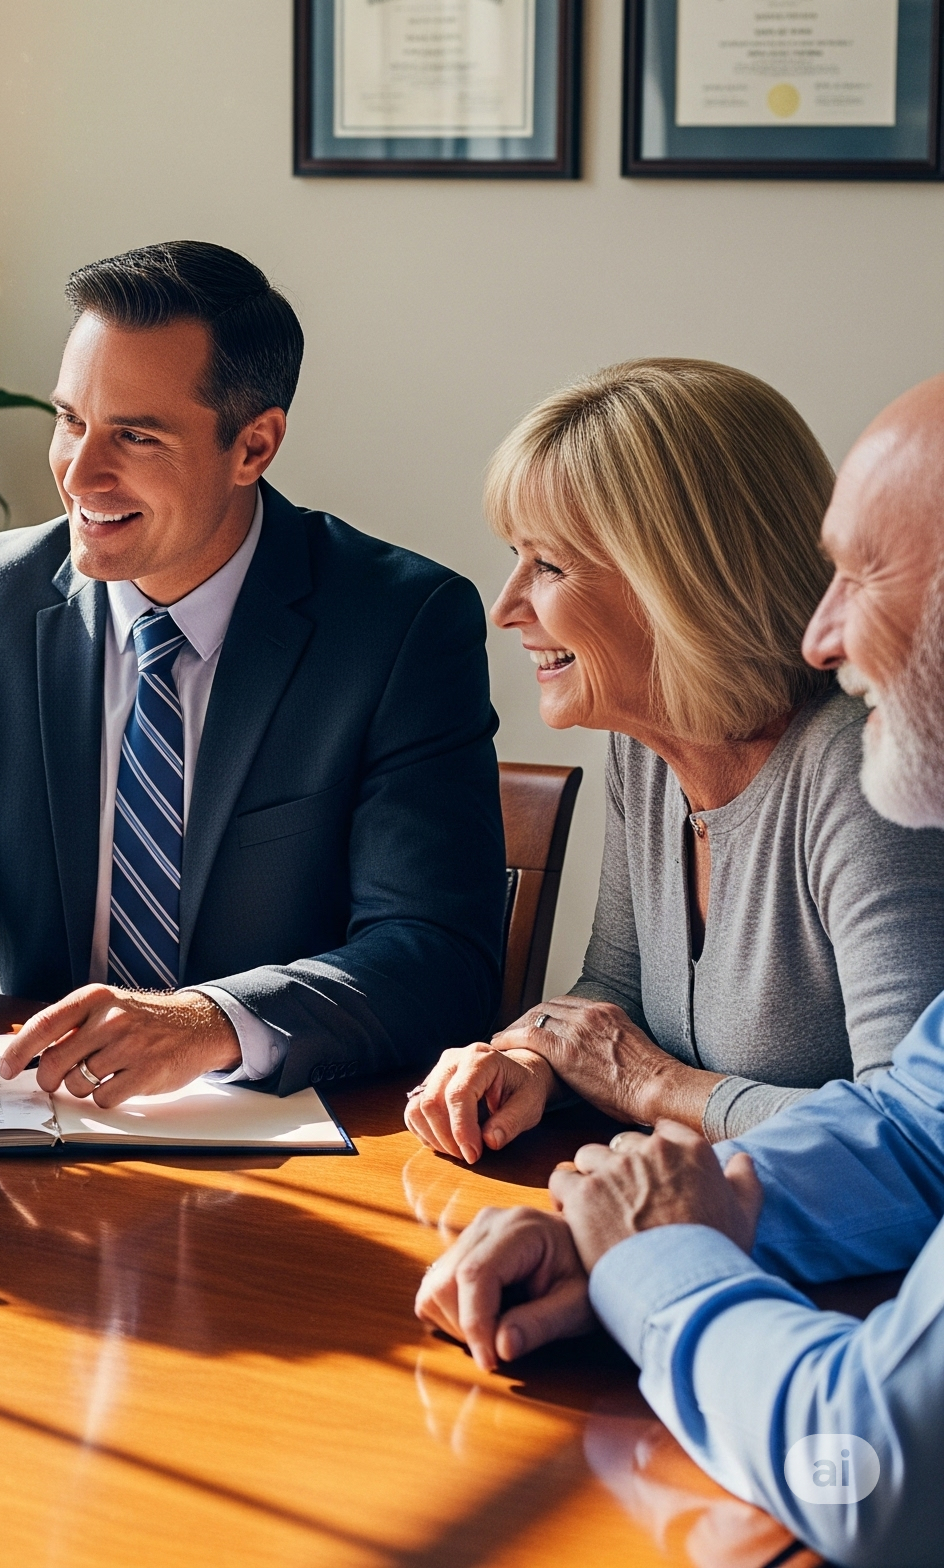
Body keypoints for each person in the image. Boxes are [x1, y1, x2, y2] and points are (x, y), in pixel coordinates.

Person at [416, 372, 944, 1567]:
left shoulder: (865, 783)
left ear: (676, 580)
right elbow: (920, 1130)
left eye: (864, 577)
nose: (821, 631)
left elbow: (863, 1471)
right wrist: (607, 1224)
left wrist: (660, 1258)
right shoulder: (650, 756)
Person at [0, 241, 507, 1104]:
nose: (79, 474)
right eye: (69, 420)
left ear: (254, 446)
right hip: (29, 1122)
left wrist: (210, 1022)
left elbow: (437, 953)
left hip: (285, 1142)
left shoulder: (399, 625)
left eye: (134, 434)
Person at [408, 360, 944, 1163]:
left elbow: (914, 1137)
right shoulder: (645, 745)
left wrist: (655, 1086)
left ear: (680, 581)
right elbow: (614, 1000)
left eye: (548, 564)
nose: (506, 605)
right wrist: (531, 1062)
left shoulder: (856, 769)